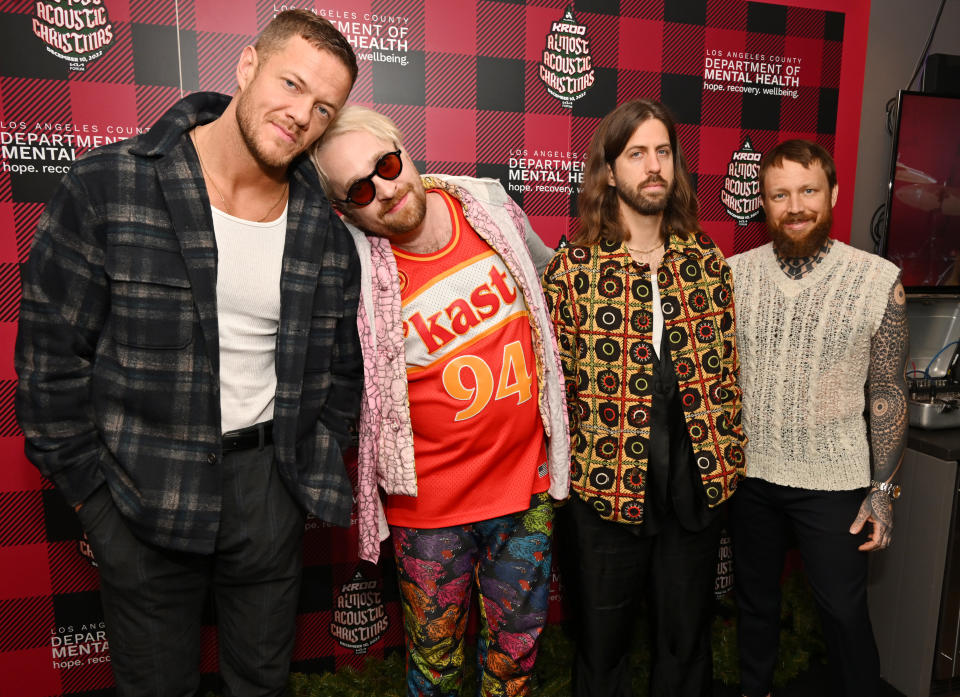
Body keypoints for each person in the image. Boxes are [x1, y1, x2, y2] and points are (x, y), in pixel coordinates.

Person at [15, 11, 361, 697]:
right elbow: (48, 369)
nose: (300, 115)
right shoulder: (108, 185)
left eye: (323, 107)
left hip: (269, 492)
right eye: (291, 84)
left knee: (261, 683)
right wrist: (97, 506)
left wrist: (301, 477)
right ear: (246, 66)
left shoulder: (323, 227)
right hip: (142, 493)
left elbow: (341, 373)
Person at [311, 105, 569, 697]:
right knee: (435, 669)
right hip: (428, 511)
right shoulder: (351, 271)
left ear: (404, 151)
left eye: (387, 164)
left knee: (514, 664)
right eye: (359, 188)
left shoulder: (490, 209)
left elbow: (551, 283)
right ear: (345, 209)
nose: (385, 189)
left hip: (521, 490)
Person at [541, 98, 747, 697]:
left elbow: (727, 374)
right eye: (637, 154)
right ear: (610, 171)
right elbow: (553, 388)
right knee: (602, 650)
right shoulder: (572, 271)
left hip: (697, 488)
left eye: (663, 152)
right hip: (606, 490)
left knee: (686, 644)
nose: (653, 166)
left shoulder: (706, 263)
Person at [727, 139, 908, 697]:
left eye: (808, 190)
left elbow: (889, 392)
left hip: (835, 481)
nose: (796, 206)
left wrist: (883, 487)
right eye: (780, 195)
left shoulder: (877, 280)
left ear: (831, 194)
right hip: (750, 477)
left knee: (844, 614)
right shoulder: (732, 276)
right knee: (754, 607)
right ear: (763, 203)